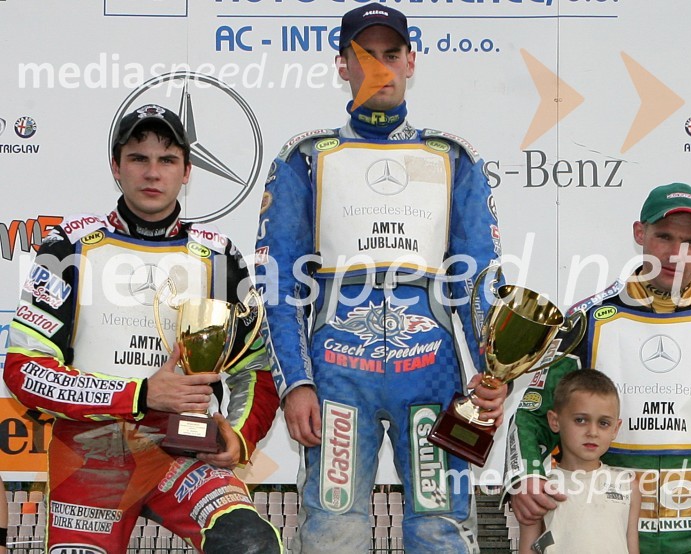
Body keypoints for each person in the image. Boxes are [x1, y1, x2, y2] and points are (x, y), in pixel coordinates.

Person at [256, 4, 507, 552]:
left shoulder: (451, 156)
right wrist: (296, 381)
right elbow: (278, 283)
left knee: (441, 526)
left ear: (411, 61)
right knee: (334, 525)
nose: (380, 66)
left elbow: (478, 276)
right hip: (339, 374)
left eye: (391, 54)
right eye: (364, 55)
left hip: (432, 375)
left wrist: (492, 370)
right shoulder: (306, 157)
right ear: (342, 64)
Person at [4, 104, 281, 553]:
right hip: (92, 451)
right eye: (138, 158)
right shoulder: (67, 248)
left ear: (187, 172)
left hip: (184, 446)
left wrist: (238, 436)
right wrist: (139, 394)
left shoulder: (219, 256)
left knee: (251, 544)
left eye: (167, 160)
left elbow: (256, 368)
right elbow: (23, 370)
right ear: (116, 167)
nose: (153, 172)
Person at [504, 183, 691, 553]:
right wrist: (526, 478)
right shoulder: (586, 320)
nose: (676, 254)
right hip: (602, 530)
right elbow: (534, 414)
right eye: (664, 237)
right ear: (640, 233)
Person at [518, 369, 640, 554]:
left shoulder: (628, 486)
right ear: (554, 421)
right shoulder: (540, 490)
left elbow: (632, 548)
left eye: (603, 423)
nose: (592, 432)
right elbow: (528, 550)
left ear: (616, 428)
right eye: (581, 420)